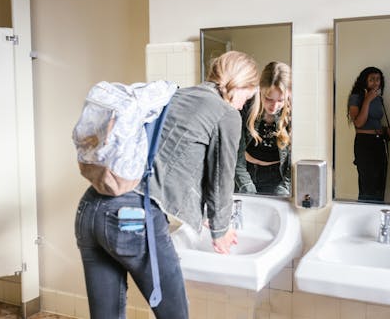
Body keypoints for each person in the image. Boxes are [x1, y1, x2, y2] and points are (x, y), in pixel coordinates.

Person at [74, 51, 260, 319]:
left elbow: (172, 158)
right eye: (247, 96)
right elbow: (221, 177)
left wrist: (203, 213)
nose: (244, 104)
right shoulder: (226, 113)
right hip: (133, 218)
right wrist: (221, 229)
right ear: (239, 85)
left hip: (90, 211)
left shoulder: (170, 96)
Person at [234, 61, 292, 195]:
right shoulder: (246, 106)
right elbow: (236, 154)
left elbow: (295, 161)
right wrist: (246, 185)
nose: (274, 106)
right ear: (260, 90)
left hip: (277, 177)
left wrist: (284, 188)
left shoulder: (292, 114)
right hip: (244, 173)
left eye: (280, 100)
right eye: (268, 99)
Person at [347, 66, 390, 201]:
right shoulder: (356, 97)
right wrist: (367, 100)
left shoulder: (379, 98)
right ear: (364, 81)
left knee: (380, 184)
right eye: (372, 79)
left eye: (378, 80)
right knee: (367, 186)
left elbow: (374, 121)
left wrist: (385, 131)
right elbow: (358, 123)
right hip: (364, 143)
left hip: (379, 142)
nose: (375, 83)